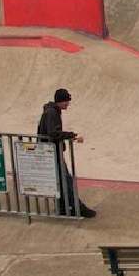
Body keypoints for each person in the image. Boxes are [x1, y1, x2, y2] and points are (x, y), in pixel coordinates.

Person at [37, 88, 96, 218]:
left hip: (50, 152)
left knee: (61, 180)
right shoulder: (52, 113)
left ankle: (64, 207)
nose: (68, 104)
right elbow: (53, 133)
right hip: (52, 153)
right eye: (66, 101)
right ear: (60, 101)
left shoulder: (52, 111)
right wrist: (72, 135)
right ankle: (76, 207)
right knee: (66, 180)